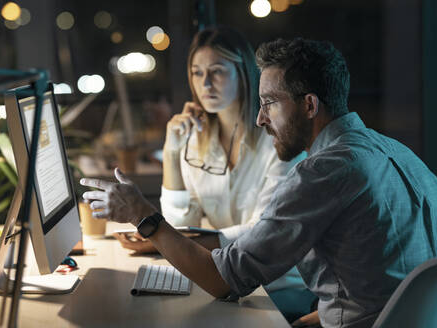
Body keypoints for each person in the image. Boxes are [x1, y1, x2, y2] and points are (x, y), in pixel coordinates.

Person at [80, 37, 437, 328]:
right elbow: (396, 287)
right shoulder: (401, 154)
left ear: (309, 105)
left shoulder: (325, 171)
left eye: (270, 103)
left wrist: (142, 215)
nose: (260, 119)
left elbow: (224, 280)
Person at [112, 26, 313, 321]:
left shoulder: (279, 141)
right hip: (229, 278)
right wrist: (171, 153)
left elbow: (261, 233)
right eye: (196, 72)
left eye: (217, 71)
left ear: (243, 73)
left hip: (280, 289)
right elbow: (183, 223)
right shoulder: (196, 140)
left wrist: (162, 235)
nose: (205, 83)